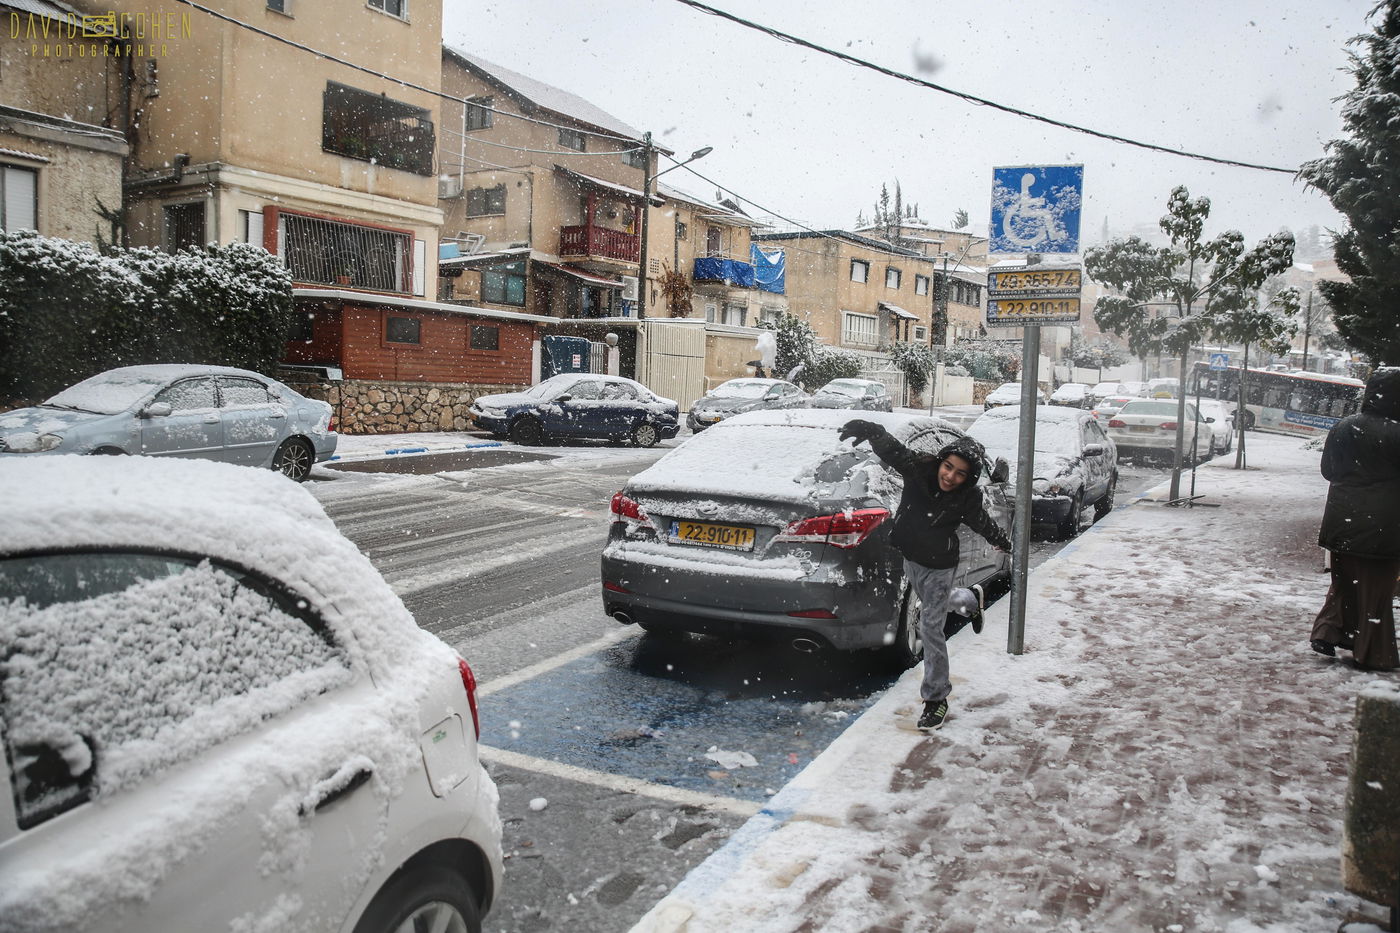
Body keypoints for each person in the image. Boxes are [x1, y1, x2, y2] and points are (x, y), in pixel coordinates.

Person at [839, 419, 1013, 730]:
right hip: (911, 557)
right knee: (940, 604)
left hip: (940, 565)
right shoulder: (919, 469)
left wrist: (1000, 541)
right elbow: (895, 452)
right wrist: (875, 432)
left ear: (968, 478)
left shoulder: (967, 498)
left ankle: (936, 698)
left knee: (930, 626)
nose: (951, 476)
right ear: (941, 461)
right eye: (948, 467)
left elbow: (981, 521)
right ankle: (971, 599)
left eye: (960, 474)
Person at [1310, 368, 1400, 671]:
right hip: (1384, 526)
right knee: (1376, 590)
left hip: (1341, 521)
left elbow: (1328, 471)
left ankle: (1329, 630)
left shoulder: (1344, 427)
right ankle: (1373, 652)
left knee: (1345, 582)